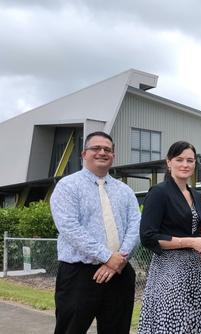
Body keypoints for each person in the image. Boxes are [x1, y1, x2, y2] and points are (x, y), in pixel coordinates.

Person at [50, 131, 141, 334]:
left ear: (113, 156)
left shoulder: (124, 190)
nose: (102, 152)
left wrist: (118, 261)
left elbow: (135, 226)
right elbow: (69, 227)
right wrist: (107, 256)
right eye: (96, 148)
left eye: (107, 149)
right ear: (84, 154)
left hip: (120, 273)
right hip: (78, 275)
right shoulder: (67, 186)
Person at [138, 141, 201, 333]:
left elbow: (196, 232)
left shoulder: (196, 195)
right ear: (169, 162)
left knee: (192, 325)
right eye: (179, 159)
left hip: (193, 271)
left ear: (195, 164)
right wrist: (191, 242)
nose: (185, 164)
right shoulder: (159, 192)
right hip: (168, 271)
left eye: (190, 160)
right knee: (171, 324)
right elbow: (147, 237)